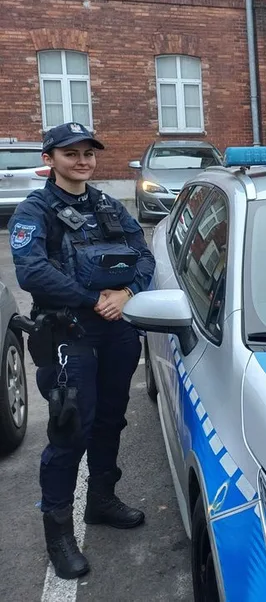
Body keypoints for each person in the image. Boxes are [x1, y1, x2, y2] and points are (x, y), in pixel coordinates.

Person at [8, 122, 155, 579]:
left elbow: (143, 255)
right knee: (71, 427)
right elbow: (31, 272)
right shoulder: (36, 211)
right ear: (49, 159)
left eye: (88, 153)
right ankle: (59, 533)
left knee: (111, 418)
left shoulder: (109, 205)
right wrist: (94, 299)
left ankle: (101, 501)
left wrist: (128, 291)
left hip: (116, 329)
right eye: (70, 154)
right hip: (68, 331)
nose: (82, 161)